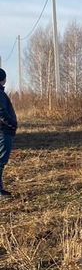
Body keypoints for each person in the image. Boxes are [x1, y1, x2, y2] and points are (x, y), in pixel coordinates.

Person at [0, 68, 18, 197]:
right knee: (1, 161)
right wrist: (12, 124)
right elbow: (1, 112)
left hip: (3, 130)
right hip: (3, 131)